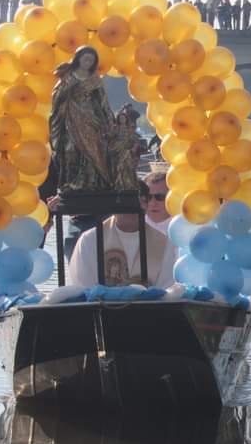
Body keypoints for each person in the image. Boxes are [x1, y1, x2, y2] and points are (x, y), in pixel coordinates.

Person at [50, 46, 137, 193]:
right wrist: (69, 89)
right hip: (70, 118)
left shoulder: (95, 79)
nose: (88, 62)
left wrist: (109, 120)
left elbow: (102, 102)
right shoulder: (68, 75)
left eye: (91, 60)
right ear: (78, 59)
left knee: (93, 149)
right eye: (86, 59)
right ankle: (72, 182)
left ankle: (91, 182)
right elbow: (57, 96)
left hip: (90, 118)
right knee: (71, 150)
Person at [69, 180, 176, 289]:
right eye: (124, 202)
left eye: (139, 202)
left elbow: (167, 285)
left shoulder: (164, 243)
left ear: (146, 204)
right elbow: (82, 284)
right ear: (112, 204)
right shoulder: (90, 240)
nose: (130, 209)